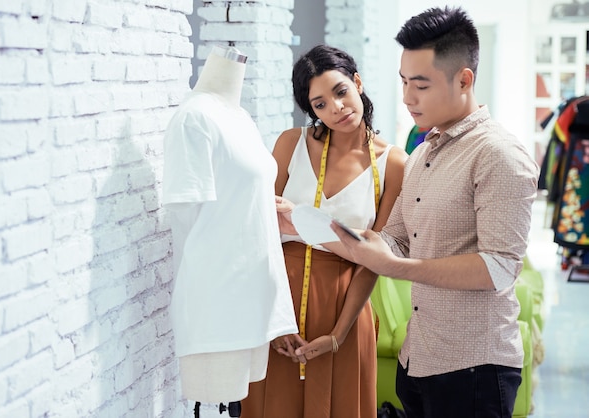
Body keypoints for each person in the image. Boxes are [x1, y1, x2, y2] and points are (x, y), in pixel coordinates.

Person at [329, 7, 539, 418]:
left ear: (464, 79)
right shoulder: (422, 152)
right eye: (404, 82)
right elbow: (396, 239)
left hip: (475, 369)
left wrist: (396, 267)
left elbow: (499, 266)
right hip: (419, 359)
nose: (407, 97)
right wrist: (316, 228)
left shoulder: (499, 154)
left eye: (420, 85)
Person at [241, 45, 407, 418]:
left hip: (346, 304)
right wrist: (275, 317)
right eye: (319, 104)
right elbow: (258, 235)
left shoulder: (394, 163)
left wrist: (339, 334)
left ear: (357, 83)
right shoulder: (290, 143)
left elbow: (374, 258)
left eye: (341, 91)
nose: (336, 108)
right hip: (278, 297)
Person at [161, 45, 298, 413]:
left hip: (251, 300)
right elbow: (189, 224)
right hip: (217, 306)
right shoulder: (195, 119)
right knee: (210, 404)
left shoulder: (240, 118)